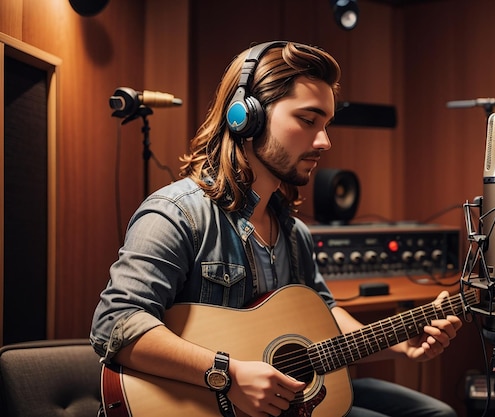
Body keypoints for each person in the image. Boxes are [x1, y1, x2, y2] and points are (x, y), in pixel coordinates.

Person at [90, 40, 462, 417]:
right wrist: (229, 375)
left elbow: (324, 317)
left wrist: (399, 342)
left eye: (327, 124)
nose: (324, 141)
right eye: (308, 120)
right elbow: (116, 324)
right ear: (246, 117)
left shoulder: (294, 233)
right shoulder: (176, 214)